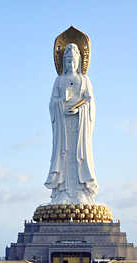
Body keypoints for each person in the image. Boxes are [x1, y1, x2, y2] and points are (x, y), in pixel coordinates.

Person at [45, 42, 98, 205]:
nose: (71, 64)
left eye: (73, 60)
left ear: (79, 61)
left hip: (79, 124)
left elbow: (91, 103)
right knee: (64, 154)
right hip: (63, 125)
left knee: (79, 154)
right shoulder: (59, 80)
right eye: (68, 61)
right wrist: (61, 102)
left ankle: (81, 192)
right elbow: (51, 104)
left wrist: (80, 109)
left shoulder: (84, 79)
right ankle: (62, 193)